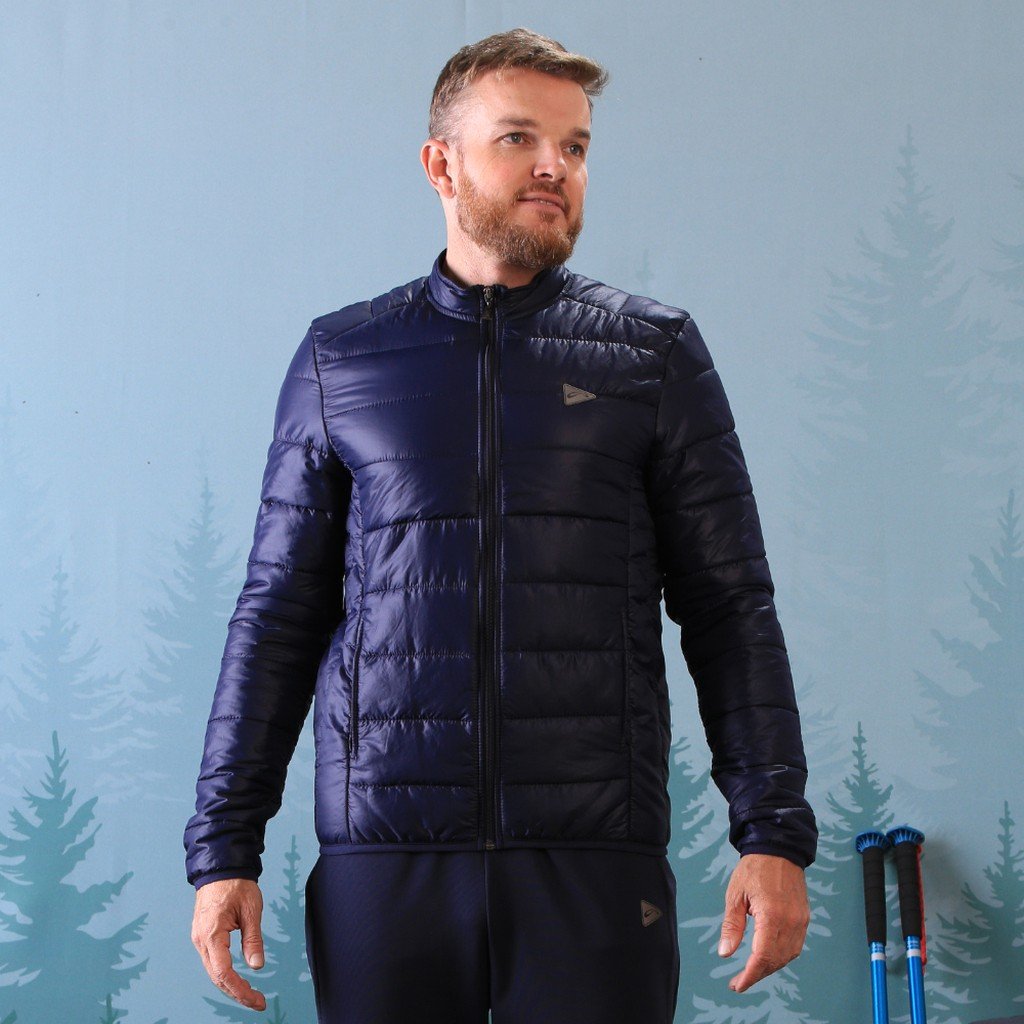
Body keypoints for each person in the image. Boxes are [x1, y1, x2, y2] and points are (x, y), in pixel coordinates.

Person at [185, 27, 816, 1024]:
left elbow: (729, 606)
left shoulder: (651, 355)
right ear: (441, 164)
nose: (554, 166)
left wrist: (771, 831)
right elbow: (278, 613)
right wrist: (225, 846)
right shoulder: (341, 360)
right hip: (384, 857)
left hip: (593, 856)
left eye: (575, 146)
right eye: (519, 137)